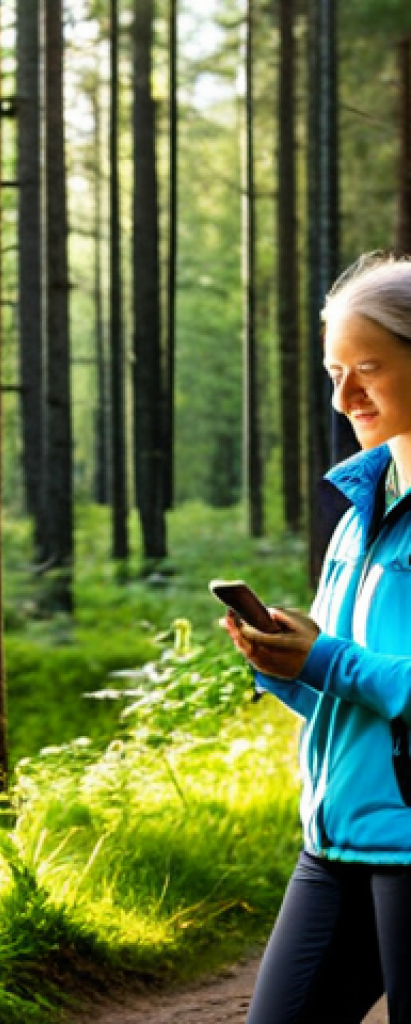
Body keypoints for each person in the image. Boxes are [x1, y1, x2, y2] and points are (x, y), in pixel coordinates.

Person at [222, 251, 411, 1024]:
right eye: (334, 370)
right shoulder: (360, 509)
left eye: (366, 367)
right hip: (333, 844)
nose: (344, 395)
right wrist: (286, 665)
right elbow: (354, 695)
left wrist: (327, 658)